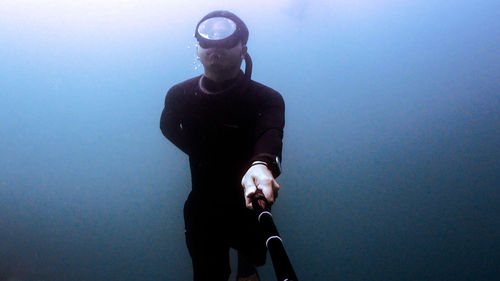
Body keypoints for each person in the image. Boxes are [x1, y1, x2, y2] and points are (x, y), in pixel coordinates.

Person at [160, 10, 285, 281]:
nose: (216, 49)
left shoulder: (266, 98)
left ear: (243, 50)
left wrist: (261, 164)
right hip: (202, 206)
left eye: (226, 42)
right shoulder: (179, 95)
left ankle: (247, 268)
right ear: (198, 49)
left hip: (251, 204)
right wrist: (204, 153)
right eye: (208, 42)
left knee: (248, 271)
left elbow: (271, 133)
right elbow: (167, 128)